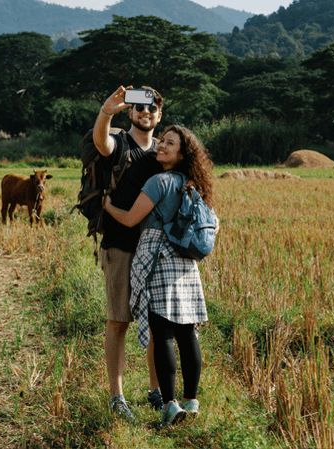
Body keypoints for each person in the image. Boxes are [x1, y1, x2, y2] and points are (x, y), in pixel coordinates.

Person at [103, 125, 214, 427]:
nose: (161, 146)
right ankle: (192, 401)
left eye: (169, 143)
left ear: (181, 153)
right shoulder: (192, 184)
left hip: (158, 259)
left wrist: (108, 205)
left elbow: (129, 219)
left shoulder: (158, 182)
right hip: (185, 264)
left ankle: (170, 405)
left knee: (162, 332)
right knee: (187, 333)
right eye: (161, 141)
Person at [94, 85, 164, 420]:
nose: (145, 114)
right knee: (118, 320)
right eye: (139, 109)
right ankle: (117, 396)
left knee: (155, 323)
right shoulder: (121, 144)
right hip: (120, 245)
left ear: (158, 115)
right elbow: (101, 143)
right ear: (132, 113)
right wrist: (107, 112)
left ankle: (156, 390)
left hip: (154, 250)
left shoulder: (163, 152)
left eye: (151, 109)